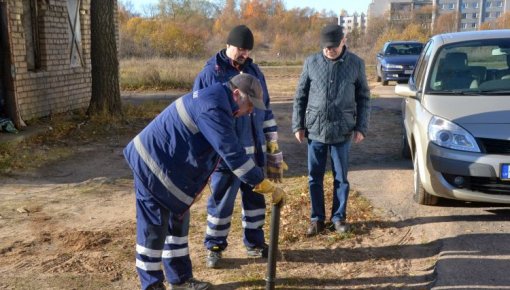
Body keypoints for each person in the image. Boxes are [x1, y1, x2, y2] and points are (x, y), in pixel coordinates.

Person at [124, 73, 286, 290]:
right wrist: (261, 182)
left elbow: (206, 152)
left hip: (170, 170)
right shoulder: (214, 108)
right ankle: (152, 286)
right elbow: (231, 153)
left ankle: (180, 280)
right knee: (153, 232)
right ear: (237, 94)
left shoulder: (221, 101)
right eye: (249, 105)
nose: (250, 112)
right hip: (151, 166)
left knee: (177, 226)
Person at [193, 25, 287, 268]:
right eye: (240, 49)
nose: (244, 54)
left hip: (254, 154)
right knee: (221, 205)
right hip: (224, 158)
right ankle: (214, 246)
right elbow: (201, 116)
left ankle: (255, 244)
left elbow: (265, 109)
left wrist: (272, 145)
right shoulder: (210, 74)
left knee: (256, 203)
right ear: (228, 46)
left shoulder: (255, 72)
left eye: (247, 50)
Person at [291, 24, 370, 237]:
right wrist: (298, 125)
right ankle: (317, 219)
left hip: (342, 131)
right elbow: (300, 96)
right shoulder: (311, 63)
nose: (329, 50)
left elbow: (364, 97)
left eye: (333, 46)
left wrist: (361, 127)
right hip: (315, 130)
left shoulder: (356, 64)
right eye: (326, 47)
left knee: (341, 178)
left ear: (343, 41)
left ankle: (338, 218)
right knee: (314, 177)